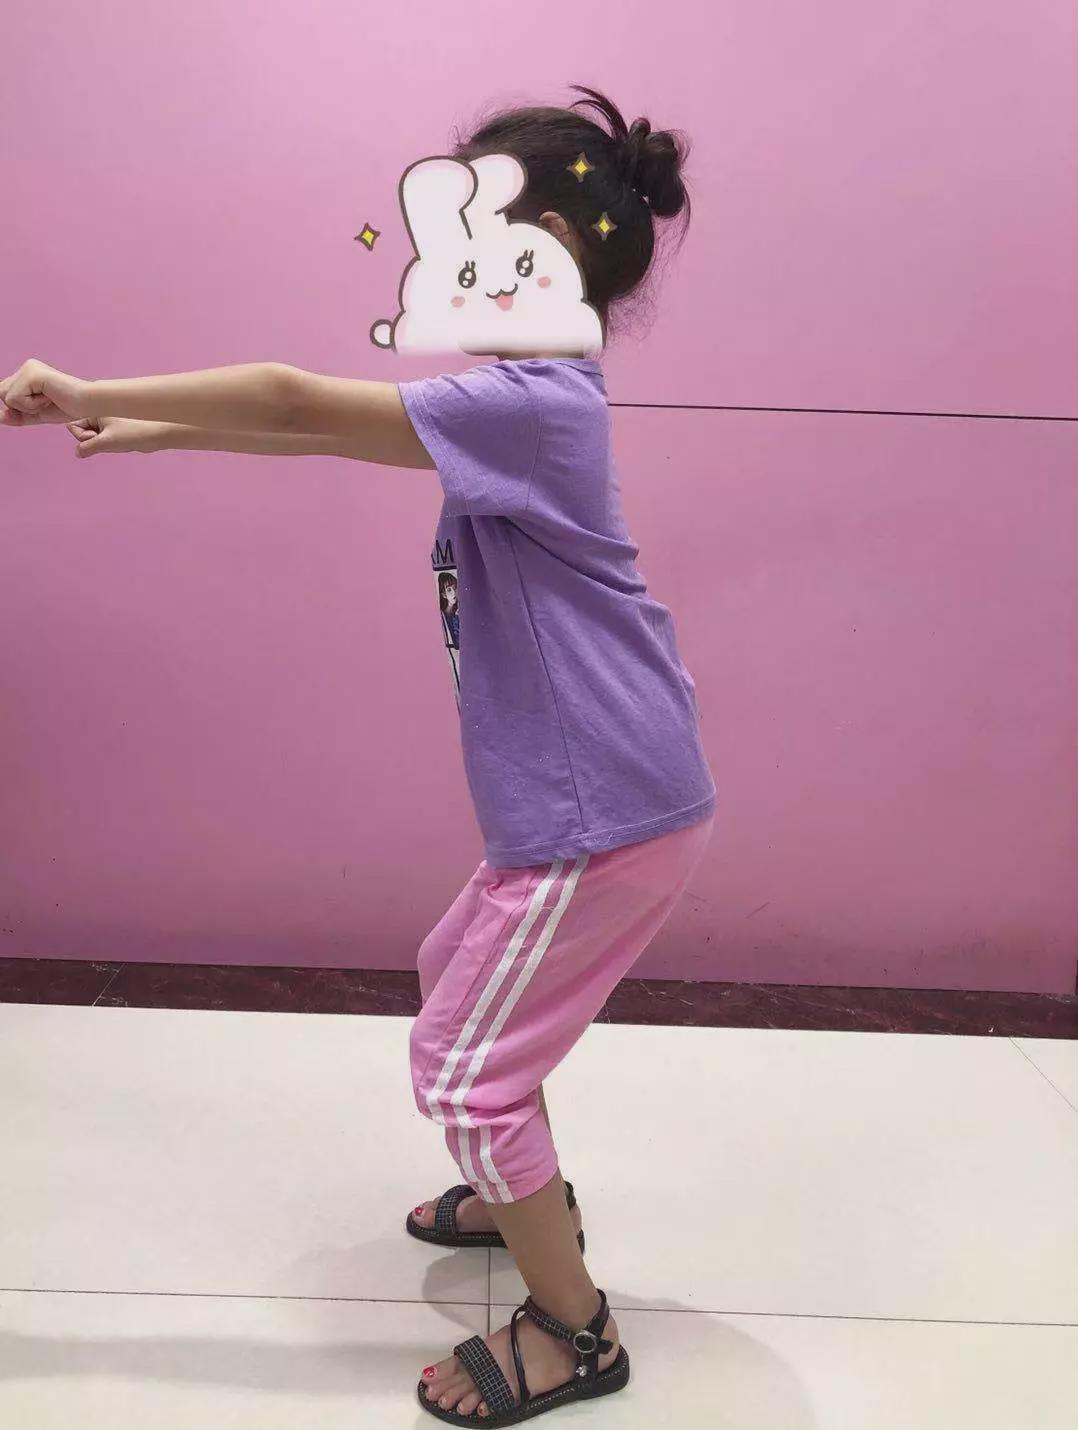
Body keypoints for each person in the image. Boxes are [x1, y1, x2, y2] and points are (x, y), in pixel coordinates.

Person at [1, 86, 715, 1427]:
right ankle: (521, 1190)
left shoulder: (532, 403)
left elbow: (293, 399)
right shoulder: (524, 400)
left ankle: (576, 1329)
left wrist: (86, 390)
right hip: (590, 797)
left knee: (464, 1067)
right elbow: (320, 423)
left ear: (550, 246)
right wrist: (152, 431)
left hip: (603, 807)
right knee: (458, 984)